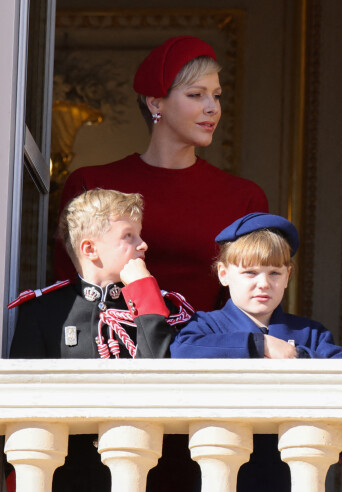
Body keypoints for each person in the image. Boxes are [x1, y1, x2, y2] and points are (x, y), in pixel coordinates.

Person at [55, 36, 268, 313]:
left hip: (206, 350)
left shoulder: (244, 198)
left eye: (216, 95)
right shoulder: (91, 185)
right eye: (196, 94)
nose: (212, 107)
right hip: (110, 349)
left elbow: (252, 302)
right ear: (156, 104)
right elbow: (69, 293)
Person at [9, 188, 194, 491]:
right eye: (129, 236)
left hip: (147, 474)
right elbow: (23, 406)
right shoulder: (44, 311)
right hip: (68, 476)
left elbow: (162, 381)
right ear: (90, 248)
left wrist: (145, 294)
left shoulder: (159, 306)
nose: (143, 244)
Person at [171, 212, 342, 490]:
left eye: (275, 273)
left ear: (288, 276)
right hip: (221, 465)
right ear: (224, 274)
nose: (264, 283)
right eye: (250, 273)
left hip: (293, 468)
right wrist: (258, 345)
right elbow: (181, 352)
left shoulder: (311, 333)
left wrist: (299, 356)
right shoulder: (205, 326)